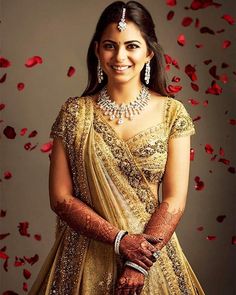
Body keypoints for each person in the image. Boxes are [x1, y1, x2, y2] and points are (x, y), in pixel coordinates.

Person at [29, 1, 205, 294]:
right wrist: (121, 240)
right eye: (111, 45)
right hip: (82, 259)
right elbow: (60, 198)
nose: (120, 56)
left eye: (132, 46)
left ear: (149, 52)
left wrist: (137, 262)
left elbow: (174, 200)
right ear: (97, 50)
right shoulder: (74, 113)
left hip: (150, 260)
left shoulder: (172, 113)